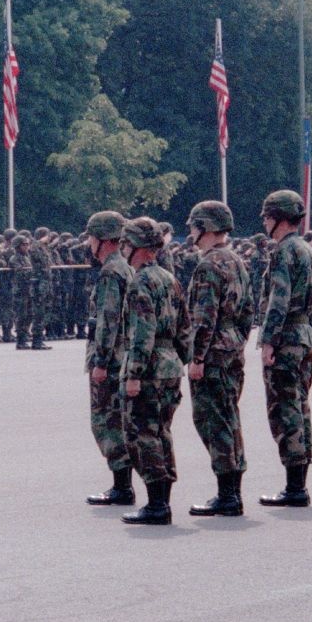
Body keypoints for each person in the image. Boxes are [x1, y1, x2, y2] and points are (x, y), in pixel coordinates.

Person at [181, 201, 253, 517]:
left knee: (214, 420)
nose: (191, 233)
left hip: (211, 353)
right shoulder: (236, 261)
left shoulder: (209, 265)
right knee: (228, 418)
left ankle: (228, 495)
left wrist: (196, 357)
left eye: (194, 226)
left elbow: (204, 316)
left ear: (206, 228)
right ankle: (231, 491)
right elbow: (248, 310)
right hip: (230, 349)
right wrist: (237, 341)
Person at [118, 216, 185, 525]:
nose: (122, 249)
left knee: (144, 435)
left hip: (150, 368)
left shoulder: (140, 282)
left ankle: (157, 505)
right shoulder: (170, 278)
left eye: (126, 244)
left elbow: (142, 332)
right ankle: (161, 501)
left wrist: (134, 374)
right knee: (162, 433)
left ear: (141, 248)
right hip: (169, 364)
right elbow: (184, 327)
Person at [256, 190, 312, 507]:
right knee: (301, 408)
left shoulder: (283, 252)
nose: (265, 222)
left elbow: (278, 300)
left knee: (285, 410)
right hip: (304, 334)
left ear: (278, 218)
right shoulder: (306, 249)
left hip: (287, 338)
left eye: (267, 216)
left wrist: (269, 340)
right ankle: (299, 483)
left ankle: (294, 488)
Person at [82, 210, 136, 506]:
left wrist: (100, 362)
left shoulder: (110, 272)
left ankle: (121, 487)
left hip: (111, 359)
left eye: (91, 237)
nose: (89, 243)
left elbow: (107, 321)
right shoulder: (124, 268)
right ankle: (122, 484)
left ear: (101, 239)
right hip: (122, 355)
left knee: (106, 421)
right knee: (116, 420)